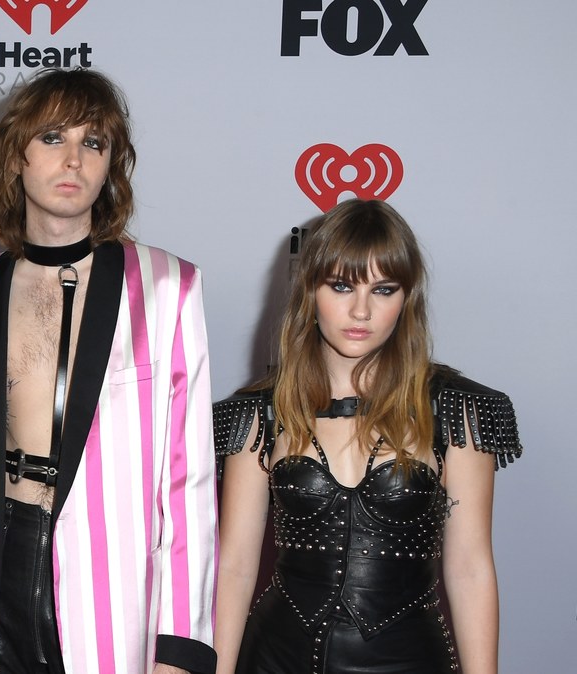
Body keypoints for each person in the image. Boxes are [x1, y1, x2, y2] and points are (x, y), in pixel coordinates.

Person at [0, 68, 218, 674]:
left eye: (93, 143)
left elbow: (189, 483)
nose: (73, 159)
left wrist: (179, 649)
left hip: (111, 592)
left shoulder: (166, 289)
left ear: (111, 165)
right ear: (15, 156)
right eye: (53, 138)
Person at [212, 198, 522, 674]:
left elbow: (471, 568)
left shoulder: (456, 409)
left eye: (383, 289)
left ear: (407, 297)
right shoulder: (257, 413)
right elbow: (234, 567)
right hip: (275, 657)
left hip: (411, 659)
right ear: (308, 290)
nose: (360, 310)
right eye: (340, 286)